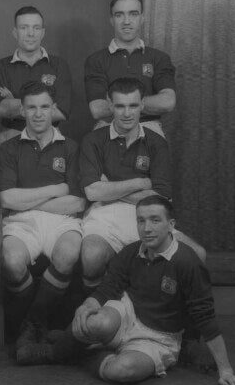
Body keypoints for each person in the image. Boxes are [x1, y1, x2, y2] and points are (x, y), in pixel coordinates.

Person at [44, 195, 235, 385]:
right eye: (141, 221)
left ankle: (79, 354)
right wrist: (88, 304)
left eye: (155, 220)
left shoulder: (187, 262)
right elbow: (107, 288)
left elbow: (205, 316)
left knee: (121, 370)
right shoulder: (132, 251)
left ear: (171, 225)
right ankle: (55, 352)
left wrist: (226, 370)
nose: (147, 228)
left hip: (158, 337)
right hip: (128, 314)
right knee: (93, 321)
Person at [79, 77, 206, 301]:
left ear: (143, 106)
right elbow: (93, 193)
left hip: (148, 215)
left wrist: (110, 186)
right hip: (104, 216)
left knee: (197, 254)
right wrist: (141, 182)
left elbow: (160, 198)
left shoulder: (156, 143)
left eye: (133, 106)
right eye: (120, 106)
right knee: (91, 256)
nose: (127, 113)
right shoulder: (93, 140)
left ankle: (186, 329)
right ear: (110, 106)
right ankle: (96, 314)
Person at [0, 81, 85, 364]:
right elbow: (7, 199)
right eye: (31, 107)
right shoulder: (8, 148)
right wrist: (55, 190)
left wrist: (31, 198)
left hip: (62, 220)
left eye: (44, 107)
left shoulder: (70, 147)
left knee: (69, 252)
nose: (38, 114)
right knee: (10, 260)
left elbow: (78, 202)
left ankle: (29, 327)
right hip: (20, 222)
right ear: (21, 110)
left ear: (53, 109)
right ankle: (35, 326)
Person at [0, 6, 72, 173]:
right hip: (11, 135)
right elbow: (0, 109)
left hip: (50, 138)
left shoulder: (59, 66)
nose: (30, 33)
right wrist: (46, 105)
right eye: (24, 27)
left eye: (36, 28)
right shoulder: (1, 67)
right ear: (15, 32)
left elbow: (62, 111)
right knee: (3, 192)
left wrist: (16, 102)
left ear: (43, 32)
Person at [84, 0, 176, 137]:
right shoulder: (96, 60)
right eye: (119, 15)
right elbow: (97, 109)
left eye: (133, 14)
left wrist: (119, 105)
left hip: (148, 126)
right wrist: (141, 104)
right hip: (108, 127)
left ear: (142, 18)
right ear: (111, 20)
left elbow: (168, 101)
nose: (126, 21)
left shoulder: (159, 58)